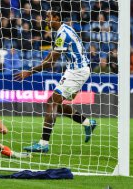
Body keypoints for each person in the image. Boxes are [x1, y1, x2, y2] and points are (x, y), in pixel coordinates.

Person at [15, 9, 96, 153]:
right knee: (56, 104)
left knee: (51, 102)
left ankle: (43, 143)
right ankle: (88, 123)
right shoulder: (62, 30)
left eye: (48, 16)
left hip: (77, 71)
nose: (46, 19)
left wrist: (29, 72)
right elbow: (51, 56)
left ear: (56, 17)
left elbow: (50, 62)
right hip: (74, 70)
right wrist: (38, 65)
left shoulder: (63, 34)